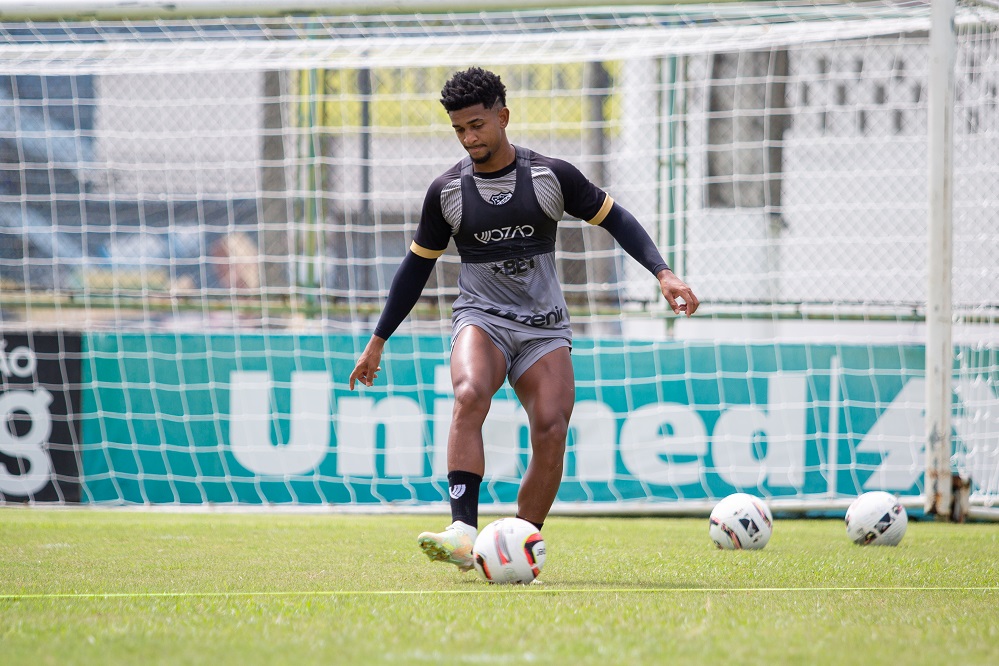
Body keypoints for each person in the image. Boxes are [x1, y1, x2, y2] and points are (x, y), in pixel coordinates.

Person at [349, 67, 699, 572]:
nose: (469, 138)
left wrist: (663, 273)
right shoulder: (447, 191)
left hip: (544, 326)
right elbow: (416, 267)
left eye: (477, 125)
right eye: (459, 129)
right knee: (469, 393)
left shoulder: (550, 177)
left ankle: (518, 542)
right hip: (482, 318)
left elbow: (616, 218)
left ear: (503, 117)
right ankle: (462, 534)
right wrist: (377, 341)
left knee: (552, 428)